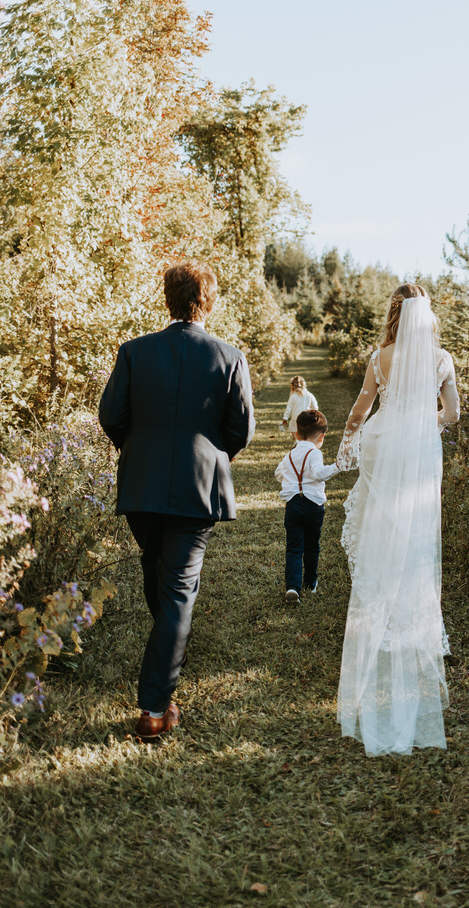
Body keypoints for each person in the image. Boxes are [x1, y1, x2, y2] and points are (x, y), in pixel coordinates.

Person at [99, 260, 255, 742]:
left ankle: (160, 690)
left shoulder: (134, 352)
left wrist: (142, 449)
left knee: (162, 579)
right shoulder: (229, 358)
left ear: (168, 299)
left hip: (142, 487)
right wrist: (208, 454)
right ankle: (152, 708)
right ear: (208, 302)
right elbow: (241, 429)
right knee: (175, 593)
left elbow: (111, 416)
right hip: (197, 486)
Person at [335, 284, 460, 756]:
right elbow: (453, 414)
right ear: (425, 315)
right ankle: (409, 615)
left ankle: (381, 605)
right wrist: (424, 420)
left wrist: (349, 439)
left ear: (394, 315)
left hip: (383, 445)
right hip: (420, 450)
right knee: (416, 533)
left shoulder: (378, 357)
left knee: (383, 526)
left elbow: (359, 410)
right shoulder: (442, 359)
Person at [275, 409, 340, 604]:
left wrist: (291, 482)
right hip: (313, 505)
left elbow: (279, 473)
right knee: (312, 546)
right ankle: (310, 583)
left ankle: (293, 587)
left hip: (293, 505)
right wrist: (338, 466)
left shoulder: (290, 455)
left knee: (294, 548)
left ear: (296, 434)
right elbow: (319, 474)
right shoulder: (315, 453)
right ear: (321, 436)